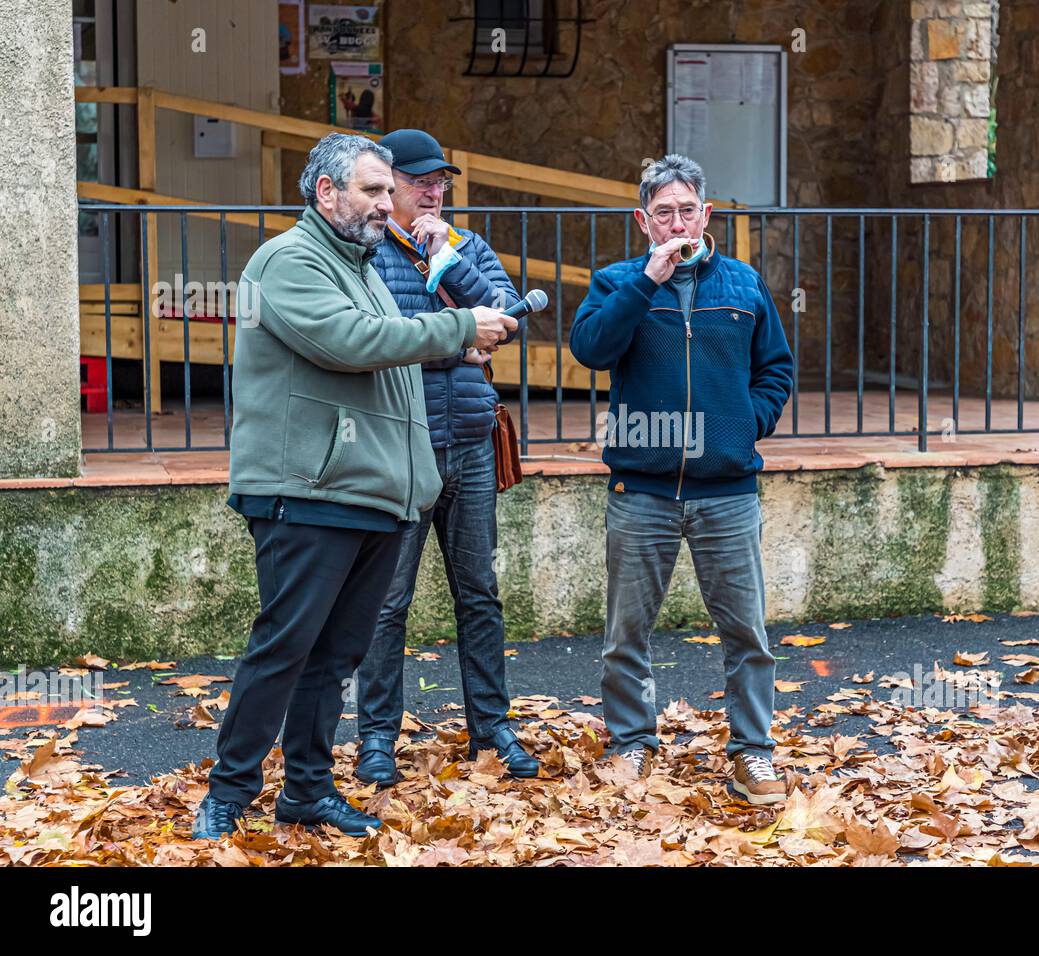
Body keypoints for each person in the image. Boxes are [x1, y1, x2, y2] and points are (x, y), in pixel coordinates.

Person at [190, 132, 516, 840]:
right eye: (370, 189)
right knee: (285, 647)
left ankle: (306, 791)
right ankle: (226, 795)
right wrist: (458, 325)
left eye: (383, 190)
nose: (382, 202)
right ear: (326, 193)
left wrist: (420, 469)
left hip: (372, 496)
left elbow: (384, 352)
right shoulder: (286, 261)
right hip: (304, 490)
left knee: (334, 657)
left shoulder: (360, 265)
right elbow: (350, 342)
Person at [568, 154, 794, 805]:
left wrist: (743, 425)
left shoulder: (744, 285)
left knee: (746, 634)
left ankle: (753, 753)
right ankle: (631, 743)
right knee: (626, 635)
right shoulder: (617, 283)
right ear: (643, 220)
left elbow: (775, 368)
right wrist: (647, 281)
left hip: (726, 491)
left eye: (686, 210)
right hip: (641, 492)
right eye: (662, 212)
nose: (676, 222)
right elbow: (591, 349)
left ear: (707, 214)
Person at [352, 128, 537, 784]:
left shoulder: (465, 246)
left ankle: (492, 733)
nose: (433, 191)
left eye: (441, 182)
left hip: (471, 444)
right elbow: (373, 341)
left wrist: (447, 258)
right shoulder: (367, 254)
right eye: (419, 181)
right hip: (401, 450)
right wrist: (460, 344)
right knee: (385, 601)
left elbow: (508, 319)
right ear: (388, 186)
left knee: (480, 595)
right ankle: (376, 740)